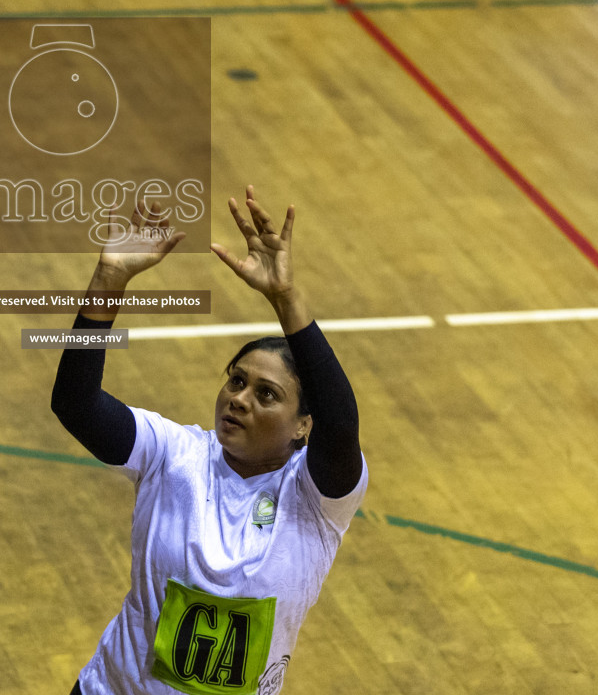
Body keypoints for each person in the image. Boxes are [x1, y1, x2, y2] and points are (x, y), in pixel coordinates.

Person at [51, 190, 368, 695]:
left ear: (303, 426)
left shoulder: (318, 498)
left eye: (266, 394)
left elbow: (342, 421)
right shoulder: (172, 454)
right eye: (236, 381)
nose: (240, 399)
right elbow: (76, 404)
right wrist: (109, 282)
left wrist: (286, 299)